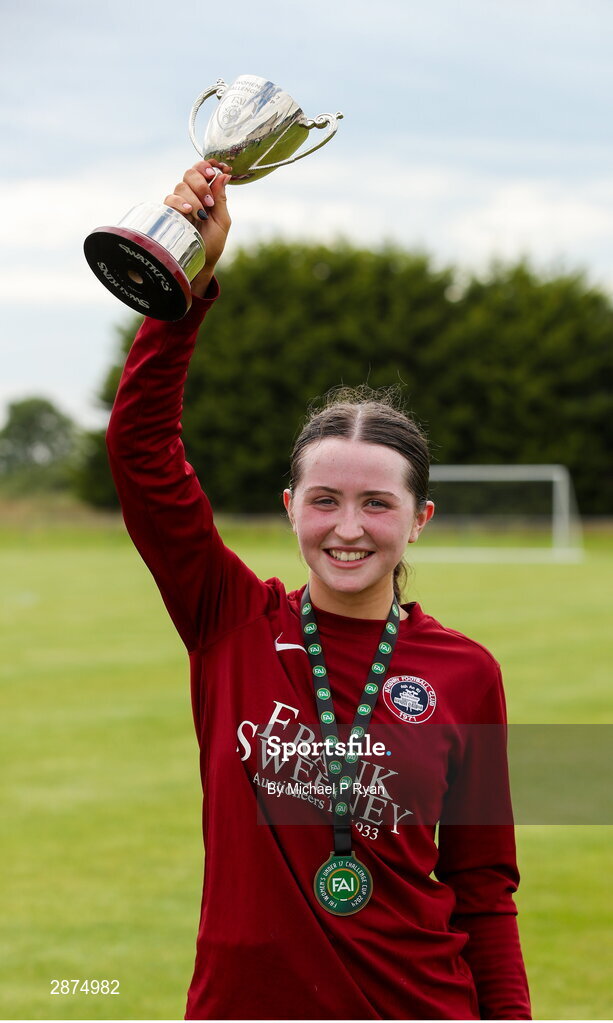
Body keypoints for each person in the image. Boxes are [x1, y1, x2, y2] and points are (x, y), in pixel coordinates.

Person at [106, 160, 531, 1020]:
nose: (348, 526)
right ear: (290, 507)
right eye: (325, 500)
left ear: (419, 520)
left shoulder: (465, 672)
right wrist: (185, 287)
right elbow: (143, 455)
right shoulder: (227, 619)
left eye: (377, 502)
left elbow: (482, 888)